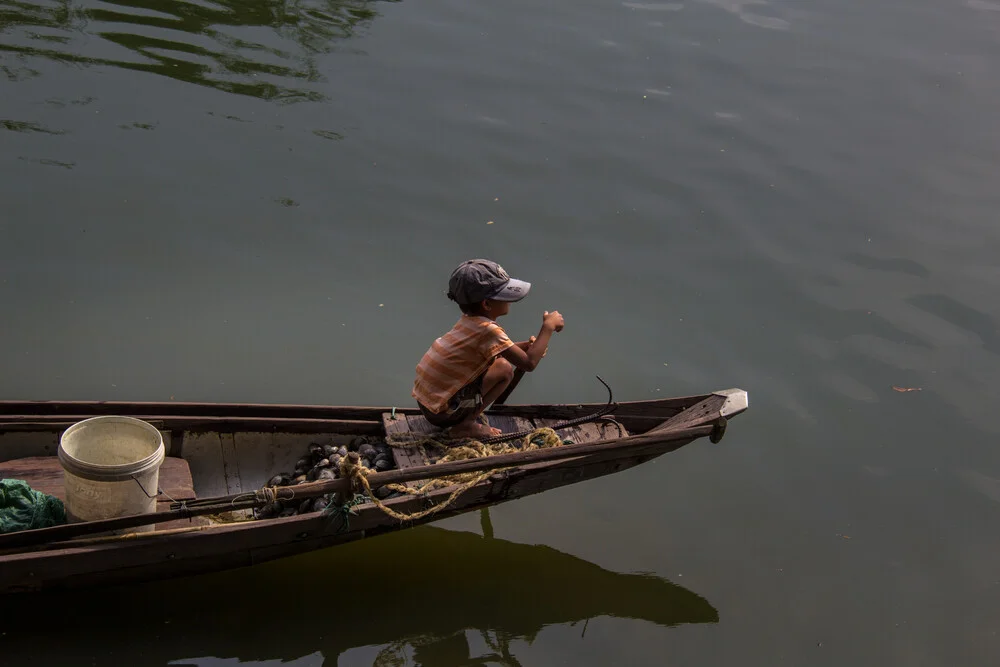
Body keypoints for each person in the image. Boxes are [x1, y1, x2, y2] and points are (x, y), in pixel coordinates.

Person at [412, 259, 565, 438]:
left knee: (500, 363)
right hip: (443, 412)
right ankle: (465, 425)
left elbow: (496, 350)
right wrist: (548, 327)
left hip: (428, 405)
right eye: (503, 294)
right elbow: (529, 363)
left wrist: (526, 346)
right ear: (486, 304)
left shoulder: (469, 321)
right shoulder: (488, 330)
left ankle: (464, 417)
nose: (509, 301)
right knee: (505, 369)